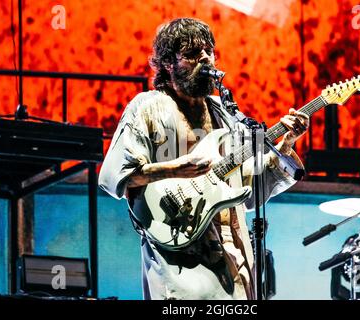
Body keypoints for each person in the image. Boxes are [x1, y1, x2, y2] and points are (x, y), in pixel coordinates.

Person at [98, 17, 309, 300]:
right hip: (179, 254)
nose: (206, 59)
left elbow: (250, 192)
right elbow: (116, 177)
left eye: (209, 51)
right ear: (168, 63)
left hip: (233, 254)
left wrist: (286, 142)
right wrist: (173, 169)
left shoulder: (224, 113)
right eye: (193, 54)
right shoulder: (147, 107)